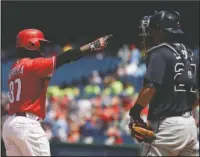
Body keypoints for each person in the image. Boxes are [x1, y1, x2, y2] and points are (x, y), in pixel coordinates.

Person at [2, 28, 112, 156]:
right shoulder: (33, 64)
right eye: (40, 44)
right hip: (27, 125)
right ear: (31, 44)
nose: (42, 49)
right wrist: (93, 45)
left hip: (9, 125)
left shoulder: (13, 67)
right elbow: (67, 57)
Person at [128, 11, 199, 156]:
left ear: (161, 30)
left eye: (153, 28)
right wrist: (183, 111)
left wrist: (135, 112)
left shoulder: (159, 53)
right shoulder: (192, 55)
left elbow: (150, 88)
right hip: (189, 126)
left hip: (166, 127)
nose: (150, 32)